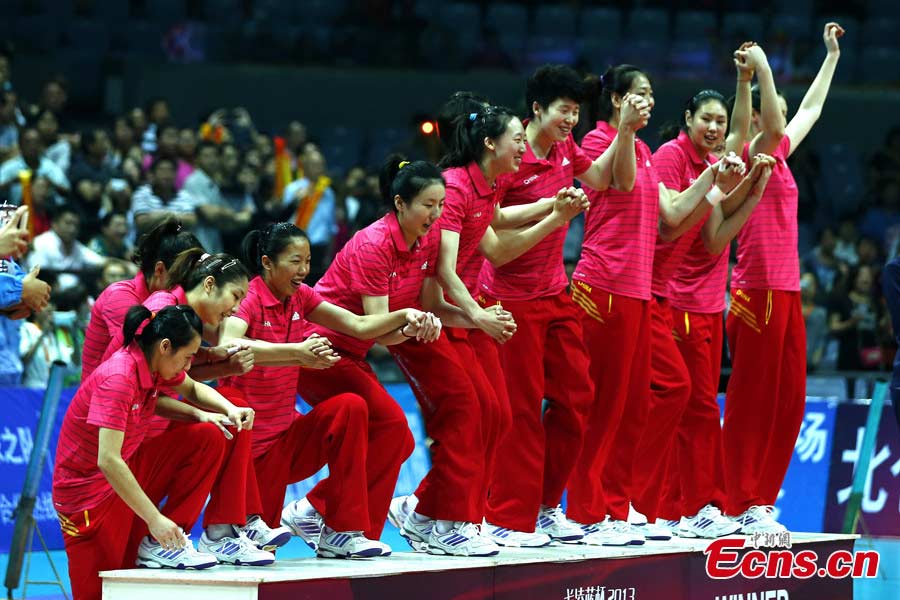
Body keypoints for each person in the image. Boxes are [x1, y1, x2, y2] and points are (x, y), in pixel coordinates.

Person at [389, 103, 591, 552]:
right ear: (489, 143)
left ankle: (422, 510)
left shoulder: (491, 184)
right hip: (425, 313)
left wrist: (552, 206)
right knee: (470, 412)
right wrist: (478, 314)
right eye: (517, 138)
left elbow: (496, 226)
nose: (524, 145)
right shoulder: (455, 189)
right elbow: (445, 270)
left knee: (496, 414)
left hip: (460, 309)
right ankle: (449, 522)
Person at [566, 63, 745, 545]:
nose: (647, 101)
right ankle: (591, 512)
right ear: (617, 99)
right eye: (638, 94)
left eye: (649, 94)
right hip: (602, 286)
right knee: (606, 404)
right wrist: (623, 127)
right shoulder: (598, 144)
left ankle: (621, 507)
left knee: (644, 398)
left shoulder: (645, 149)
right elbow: (619, 185)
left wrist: (713, 177)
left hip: (639, 293)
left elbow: (669, 216)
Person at [473, 64, 643, 548]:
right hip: (509, 299)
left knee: (577, 399)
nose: (571, 119)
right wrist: (555, 213)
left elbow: (608, 180)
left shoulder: (568, 147)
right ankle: (507, 517)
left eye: (575, 111)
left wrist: (625, 130)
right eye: (563, 111)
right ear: (536, 110)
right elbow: (498, 239)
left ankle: (546, 507)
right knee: (521, 411)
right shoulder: (510, 159)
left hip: (555, 294)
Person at [291, 157, 479, 554]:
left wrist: (442, 322)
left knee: (393, 436)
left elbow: (431, 304)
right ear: (400, 203)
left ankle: (322, 514)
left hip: (352, 353)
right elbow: (376, 328)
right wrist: (412, 324)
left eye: (441, 204)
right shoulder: (374, 244)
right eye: (428, 204)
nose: (436, 214)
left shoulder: (427, 241)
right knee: (393, 429)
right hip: (321, 351)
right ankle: (333, 521)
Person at [222, 221, 437, 558]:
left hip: (286, 440)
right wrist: (297, 353)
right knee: (256, 559)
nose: (304, 271)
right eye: (294, 261)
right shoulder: (248, 297)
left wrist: (406, 316)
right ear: (267, 262)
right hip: (251, 453)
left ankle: (342, 530)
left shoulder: (301, 297)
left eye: (307, 261)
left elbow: (358, 325)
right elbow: (228, 342)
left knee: (351, 407)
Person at [723, 24, 844, 533]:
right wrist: (762, 69)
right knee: (753, 401)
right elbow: (773, 123)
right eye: (769, 115)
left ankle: (759, 501)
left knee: (790, 401)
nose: (781, 123)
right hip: (756, 294)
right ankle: (734, 502)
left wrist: (831, 57)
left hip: (787, 293)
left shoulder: (781, 157)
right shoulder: (745, 157)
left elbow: (811, 110)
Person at [52, 305, 250, 600]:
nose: (187, 366)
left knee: (207, 436)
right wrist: (155, 519)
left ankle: (165, 544)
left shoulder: (153, 363)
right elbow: (107, 460)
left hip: (127, 470)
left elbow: (193, 389)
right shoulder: (119, 377)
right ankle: (159, 533)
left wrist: (221, 411)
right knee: (100, 593)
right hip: (87, 496)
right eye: (186, 357)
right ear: (165, 346)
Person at [650, 79, 775, 538]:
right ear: (688, 119)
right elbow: (675, 223)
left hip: (706, 304)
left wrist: (755, 193)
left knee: (696, 405)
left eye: (720, 121)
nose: (716, 127)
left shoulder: (718, 164)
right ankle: (690, 505)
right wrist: (744, 80)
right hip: (675, 298)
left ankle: (675, 505)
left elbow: (716, 238)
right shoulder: (671, 156)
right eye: (706, 118)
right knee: (696, 405)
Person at [81, 217, 202, 380]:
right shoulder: (120, 297)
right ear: (159, 270)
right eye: (183, 276)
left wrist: (213, 357)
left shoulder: (173, 294)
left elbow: (178, 364)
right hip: (105, 399)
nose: (187, 283)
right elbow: (145, 370)